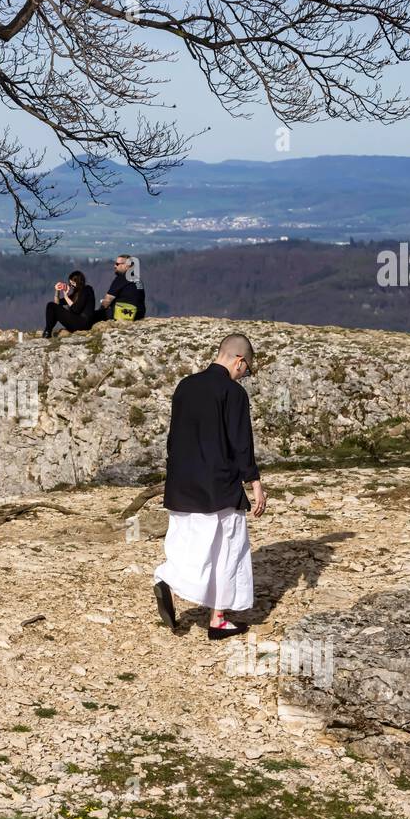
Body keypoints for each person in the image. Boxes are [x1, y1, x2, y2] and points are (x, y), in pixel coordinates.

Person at [152, 333, 267, 640]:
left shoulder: (185, 386)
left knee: (189, 543)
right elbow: (241, 443)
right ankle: (217, 619)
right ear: (239, 361)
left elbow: (173, 439)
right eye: (248, 370)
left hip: (182, 483)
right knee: (227, 550)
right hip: (219, 485)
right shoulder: (233, 393)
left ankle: (170, 577)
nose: (245, 376)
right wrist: (254, 483)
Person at [92, 254, 146, 322]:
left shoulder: (121, 278)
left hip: (123, 313)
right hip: (138, 314)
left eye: (117, 264)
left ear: (127, 266)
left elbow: (108, 300)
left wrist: (100, 312)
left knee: (93, 316)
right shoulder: (137, 280)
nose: (115, 266)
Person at [42, 270, 96, 338]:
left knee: (51, 306)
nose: (71, 286)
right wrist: (57, 291)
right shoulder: (75, 294)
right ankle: (48, 331)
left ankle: (47, 332)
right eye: (70, 284)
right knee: (51, 306)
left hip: (83, 322)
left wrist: (65, 296)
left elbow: (76, 309)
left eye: (73, 283)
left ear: (79, 282)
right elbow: (57, 304)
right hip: (77, 321)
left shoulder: (87, 290)